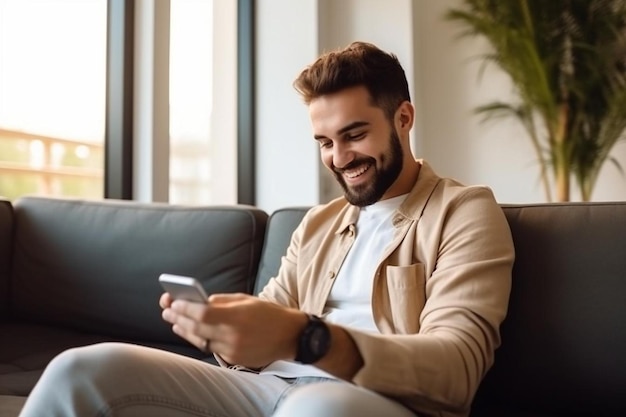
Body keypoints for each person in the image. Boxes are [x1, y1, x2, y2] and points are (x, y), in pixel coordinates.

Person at [18, 41, 514, 417]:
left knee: (314, 410)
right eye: (324, 141)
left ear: (403, 118)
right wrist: (224, 333)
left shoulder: (463, 211)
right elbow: (269, 322)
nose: (339, 159)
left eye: (355, 135)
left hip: (366, 400)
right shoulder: (319, 224)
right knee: (83, 368)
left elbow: (456, 369)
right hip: (269, 389)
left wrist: (308, 339)